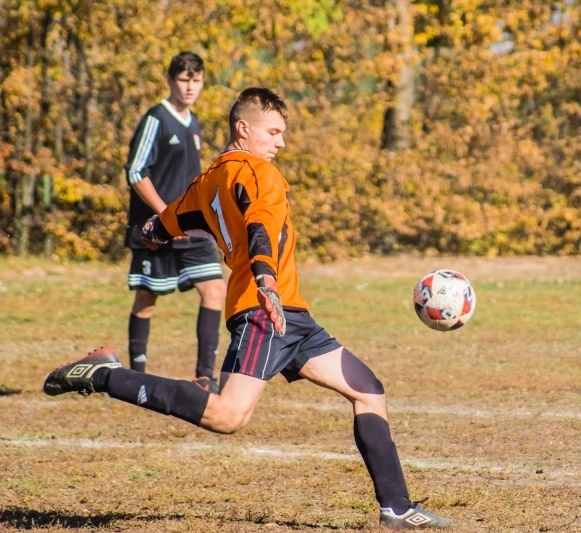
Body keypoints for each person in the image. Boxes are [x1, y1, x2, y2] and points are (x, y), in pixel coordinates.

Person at [44, 88, 453, 530]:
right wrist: (266, 280)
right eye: (273, 132)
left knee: (368, 390)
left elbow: (169, 221)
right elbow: (260, 225)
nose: (281, 142)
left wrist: (150, 233)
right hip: (265, 308)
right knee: (227, 415)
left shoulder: (207, 181)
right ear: (243, 128)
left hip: (291, 315)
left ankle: (396, 508)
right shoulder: (259, 172)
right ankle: (105, 374)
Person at [124, 51, 226, 391]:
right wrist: (164, 215)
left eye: (197, 81)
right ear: (170, 80)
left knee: (215, 290)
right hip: (156, 230)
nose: (190, 87)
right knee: (146, 300)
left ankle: (204, 378)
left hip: (191, 228)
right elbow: (136, 172)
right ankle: (136, 376)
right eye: (184, 79)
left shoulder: (193, 121)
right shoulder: (156, 119)